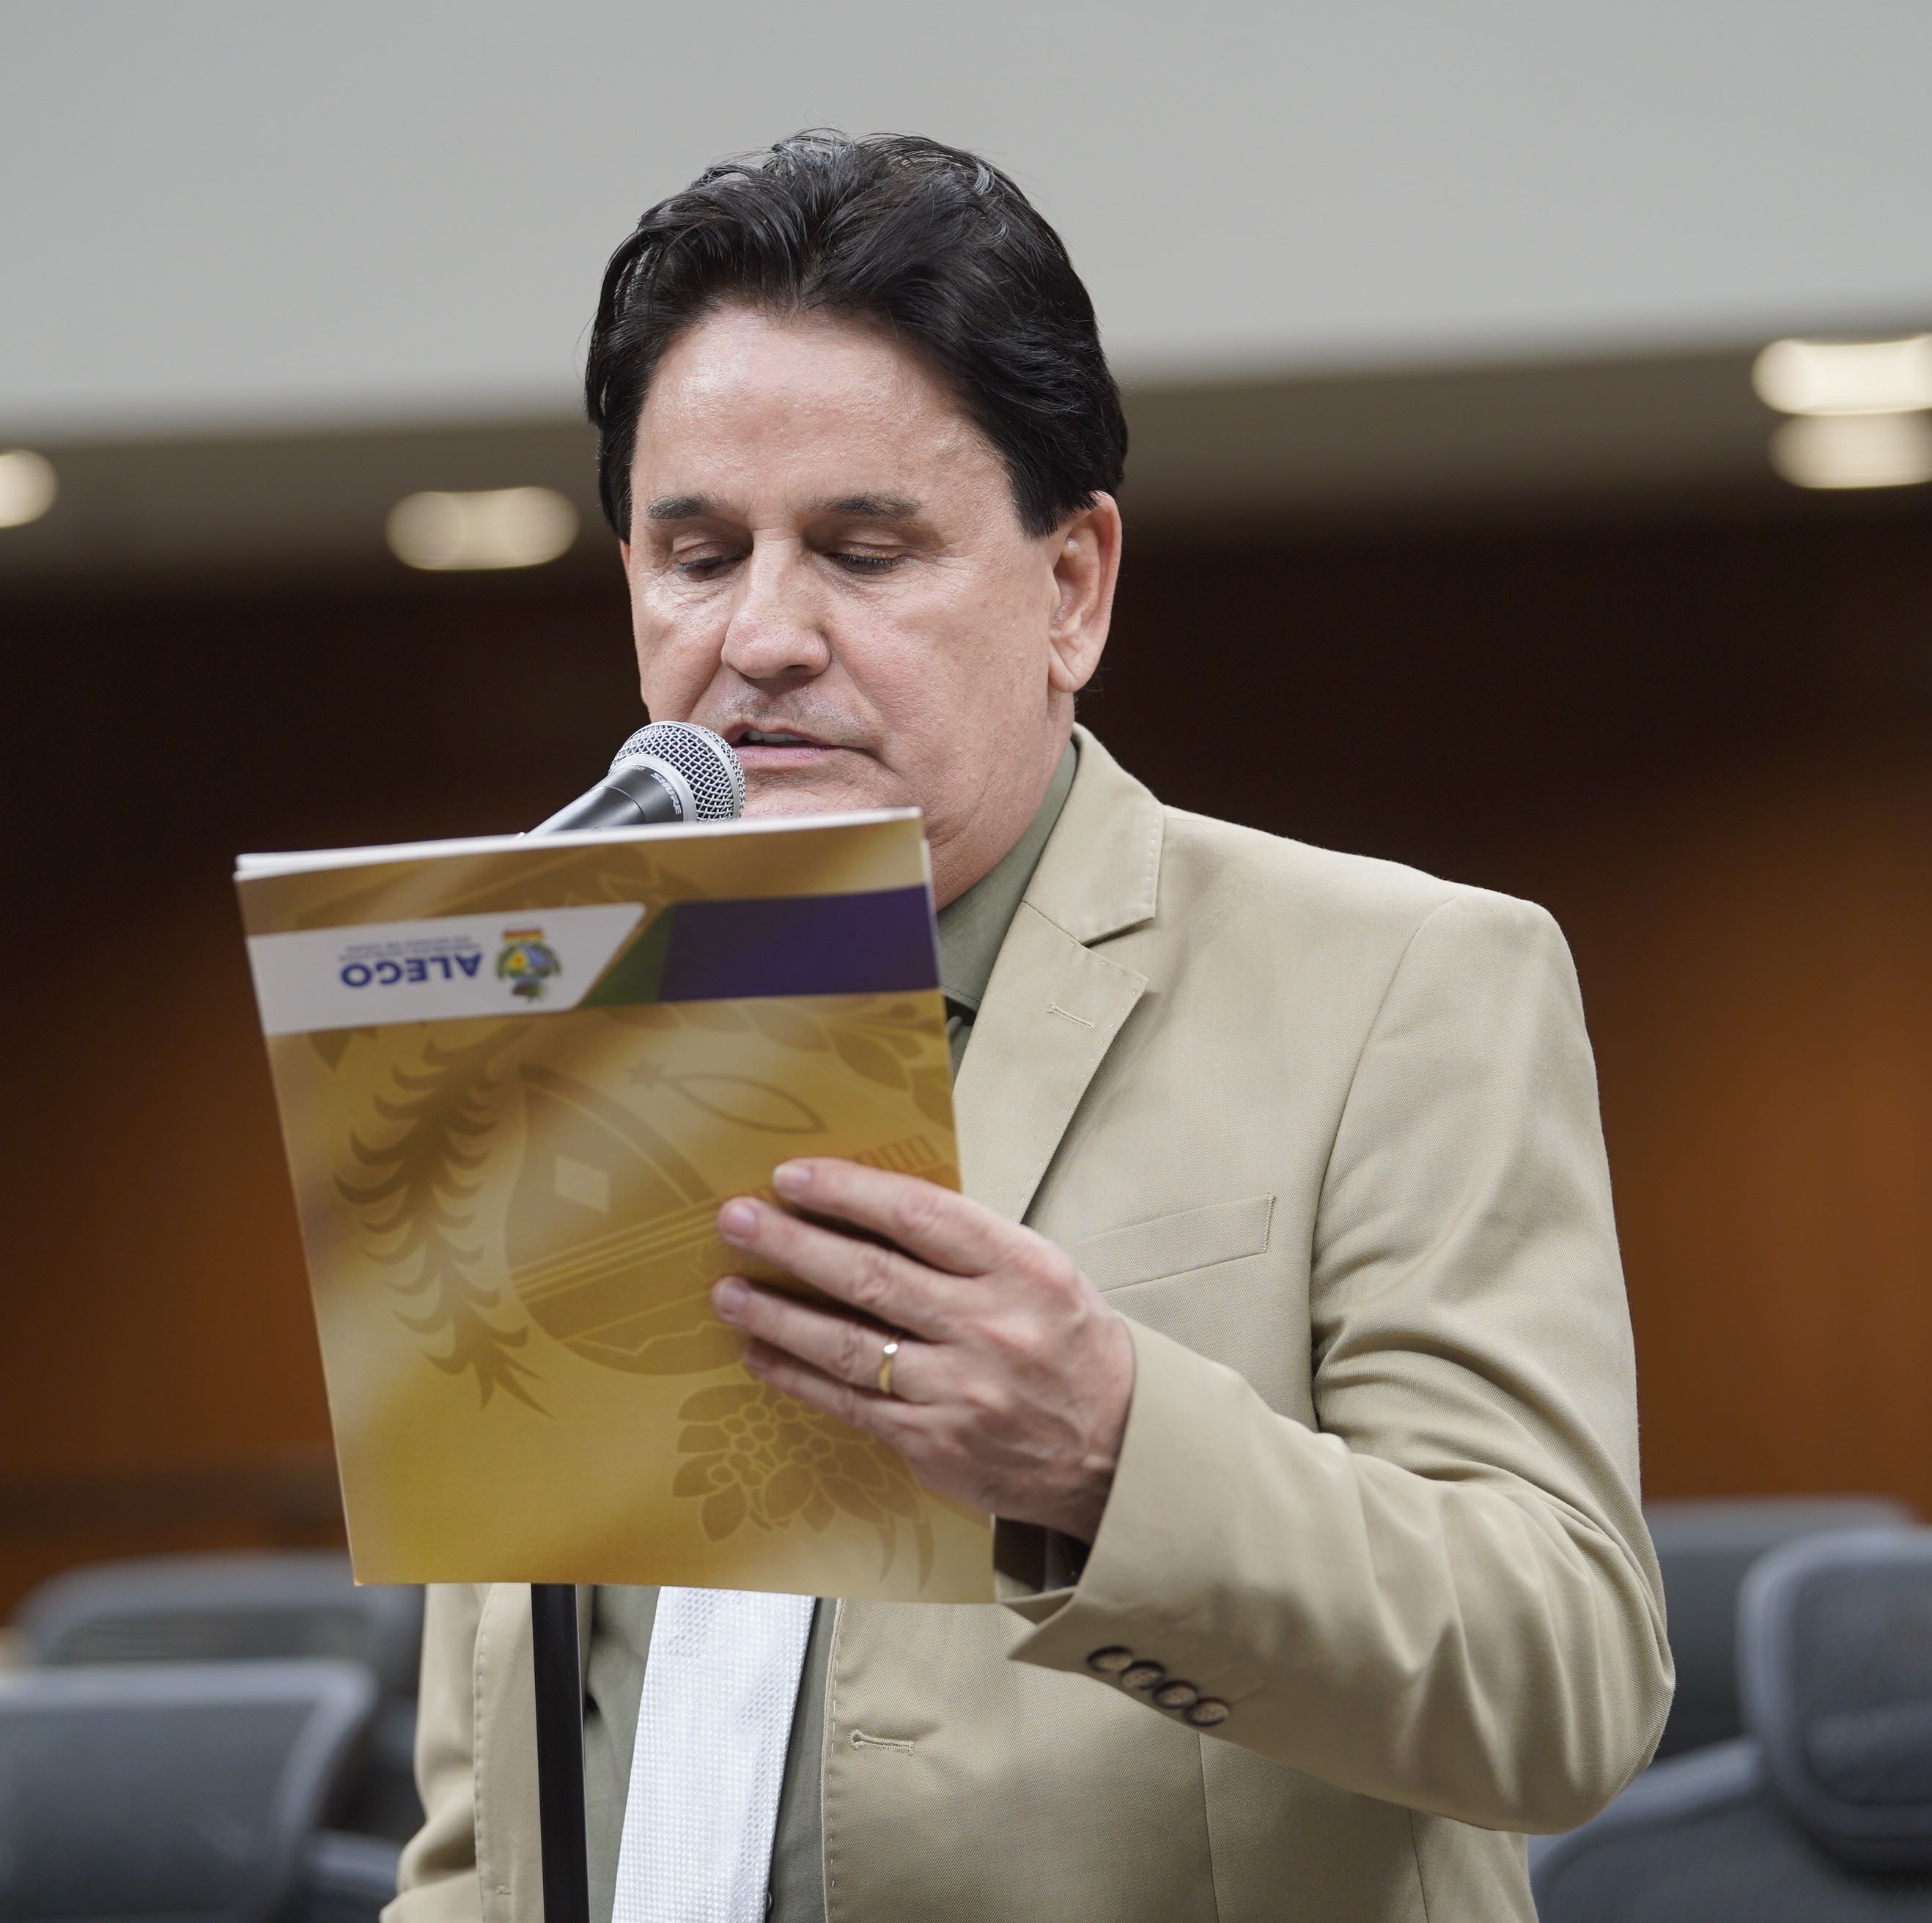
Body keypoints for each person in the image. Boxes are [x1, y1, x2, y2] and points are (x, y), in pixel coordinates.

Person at [393, 131, 1670, 1923]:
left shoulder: (1407, 982)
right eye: (699, 554)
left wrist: (1112, 1448)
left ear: (1072, 588)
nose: (763, 633)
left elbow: (1568, 1681)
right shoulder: (549, 1019)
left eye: (863, 550)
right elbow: (491, 1819)